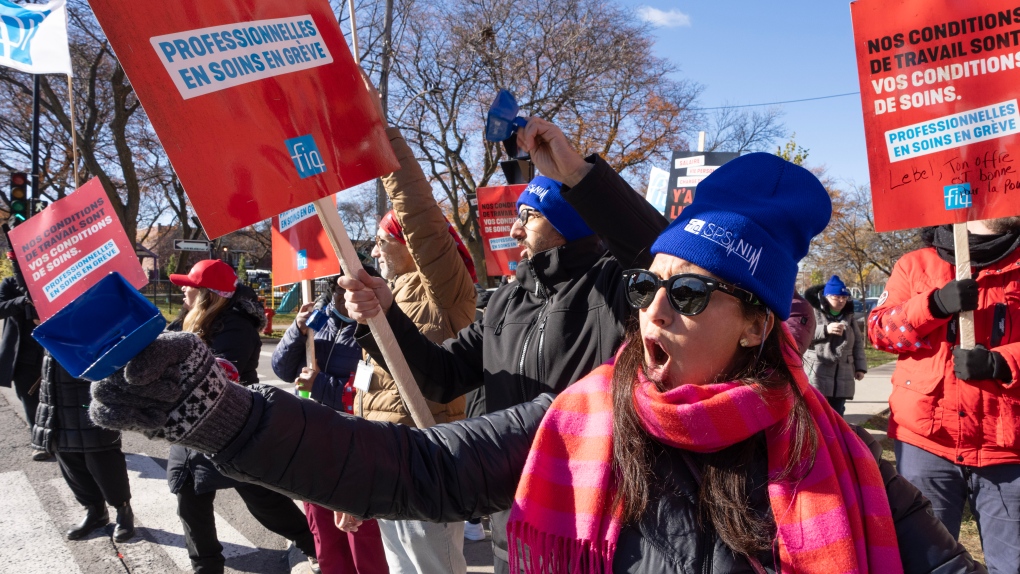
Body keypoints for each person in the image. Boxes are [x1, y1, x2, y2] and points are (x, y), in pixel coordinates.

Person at [92, 150, 984, 573]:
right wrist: (220, 413)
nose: (650, 312)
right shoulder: (584, 415)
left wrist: (592, 177)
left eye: (687, 296)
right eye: (646, 287)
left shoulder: (836, 460)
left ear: (757, 326)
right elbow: (414, 466)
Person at [342, 117, 666, 571]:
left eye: (529, 217)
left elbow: (662, 254)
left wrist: (577, 173)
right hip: (512, 513)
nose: (514, 231)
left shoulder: (615, 288)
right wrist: (385, 318)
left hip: (594, 519)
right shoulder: (507, 301)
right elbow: (442, 377)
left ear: (567, 224)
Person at [335, 117, 477, 574]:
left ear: (411, 246)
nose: (373, 251)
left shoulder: (445, 292)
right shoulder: (390, 295)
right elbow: (372, 395)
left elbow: (423, 220)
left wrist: (380, 133)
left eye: (381, 241)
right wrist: (357, 483)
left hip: (426, 459)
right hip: (386, 457)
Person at [869, 220, 1020, 574]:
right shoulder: (914, 264)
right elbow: (880, 333)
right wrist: (933, 305)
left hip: (1007, 447)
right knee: (924, 562)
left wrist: (1003, 363)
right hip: (925, 444)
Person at [166, 260, 319, 574]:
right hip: (192, 425)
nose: (183, 289)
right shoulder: (192, 318)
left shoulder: (234, 325)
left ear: (208, 294)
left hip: (230, 425)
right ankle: (206, 567)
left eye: (190, 285)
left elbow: (221, 374)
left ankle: (315, 546)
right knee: (189, 495)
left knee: (262, 498)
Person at [272, 277, 388, 574]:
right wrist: (297, 331)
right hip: (310, 439)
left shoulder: (372, 331)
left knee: (361, 537)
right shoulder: (318, 321)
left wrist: (319, 384)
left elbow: (366, 396)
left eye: (349, 291)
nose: (342, 298)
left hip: (353, 445)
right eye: (338, 290)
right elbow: (283, 369)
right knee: (324, 533)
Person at [33, 351, 134, 541]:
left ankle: (123, 511)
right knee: (67, 453)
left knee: (102, 455)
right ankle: (94, 512)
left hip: (89, 380)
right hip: (55, 383)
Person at [0, 251, 49, 460]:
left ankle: (67, 439)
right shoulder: (9, 283)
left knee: (62, 397)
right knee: (29, 400)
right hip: (24, 355)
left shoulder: (52, 279)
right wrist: (23, 301)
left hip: (53, 351)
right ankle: (40, 443)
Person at [802, 275, 867, 416]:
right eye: (837, 297)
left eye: (844, 297)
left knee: (837, 414)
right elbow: (801, 334)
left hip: (843, 374)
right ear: (826, 296)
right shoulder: (812, 312)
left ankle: (835, 438)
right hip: (818, 371)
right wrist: (825, 330)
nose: (842, 300)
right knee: (816, 413)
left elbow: (857, 344)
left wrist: (860, 367)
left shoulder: (849, 316)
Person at [784, 290, 816, 356]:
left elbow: (791, 349)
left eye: (843, 297)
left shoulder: (800, 307)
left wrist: (825, 330)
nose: (841, 300)